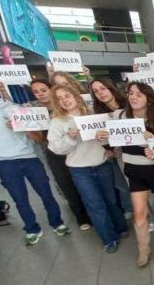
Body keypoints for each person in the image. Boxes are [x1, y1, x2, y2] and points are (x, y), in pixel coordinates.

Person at [0, 73, 68, 245]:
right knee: (20, 199)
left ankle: (57, 222)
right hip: (3, 162)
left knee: (46, 193)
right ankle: (32, 228)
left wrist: (19, 128)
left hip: (28, 157)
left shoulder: (14, 108)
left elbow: (33, 132)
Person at [97, 82, 154, 267]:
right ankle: (143, 250)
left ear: (148, 99)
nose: (133, 97)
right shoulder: (119, 115)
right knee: (139, 212)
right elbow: (113, 140)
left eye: (138, 94)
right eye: (131, 93)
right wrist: (103, 136)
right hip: (133, 169)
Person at [48, 86, 128, 252]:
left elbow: (108, 137)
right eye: (60, 98)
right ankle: (108, 238)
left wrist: (105, 140)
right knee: (95, 204)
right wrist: (70, 137)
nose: (65, 100)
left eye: (67, 95)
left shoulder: (92, 113)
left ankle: (121, 228)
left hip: (102, 164)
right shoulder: (57, 121)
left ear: (76, 96)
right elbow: (56, 148)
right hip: (80, 170)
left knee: (111, 199)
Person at [29, 79, 92, 230]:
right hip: (55, 152)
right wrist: (26, 128)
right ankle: (82, 217)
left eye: (43, 90)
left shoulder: (68, 104)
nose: (40, 94)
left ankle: (94, 212)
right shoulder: (33, 109)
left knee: (87, 182)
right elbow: (41, 139)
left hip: (80, 149)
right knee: (67, 184)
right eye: (36, 92)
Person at [89, 79, 134, 218]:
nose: (100, 93)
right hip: (120, 153)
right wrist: (105, 145)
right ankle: (146, 217)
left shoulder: (128, 103)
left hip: (140, 149)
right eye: (96, 91)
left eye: (102, 88)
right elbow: (102, 138)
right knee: (132, 185)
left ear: (110, 88)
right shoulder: (97, 114)